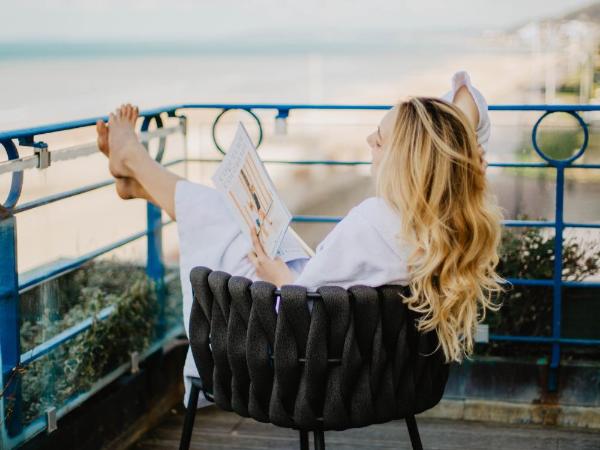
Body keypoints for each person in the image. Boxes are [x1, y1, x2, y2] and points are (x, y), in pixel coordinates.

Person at [96, 71, 505, 405]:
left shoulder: (375, 221)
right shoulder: (441, 229)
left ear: (406, 160)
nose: (369, 143)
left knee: (224, 216)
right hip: (366, 375)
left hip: (292, 367)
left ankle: (134, 164)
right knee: (231, 220)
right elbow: (463, 109)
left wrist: (276, 273)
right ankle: (136, 178)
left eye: (378, 139)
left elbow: (302, 309)